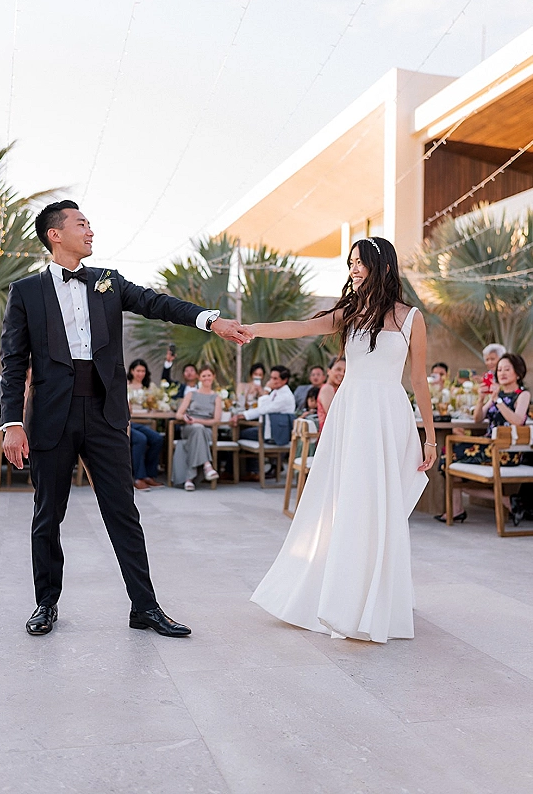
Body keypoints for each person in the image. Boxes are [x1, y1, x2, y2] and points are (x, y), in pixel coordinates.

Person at [0, 200, 250, 639]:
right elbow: (14, 362)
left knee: (123, 512)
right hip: (51, 416)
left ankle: (145, 608)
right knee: (48, 515)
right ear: (55, 235)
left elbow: (157, 303)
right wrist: (11, 423)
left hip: (105, 413)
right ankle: (45, 603)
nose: (90, 231)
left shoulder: (108, 282)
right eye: (81, 224)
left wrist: (210, 320)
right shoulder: (26, 291)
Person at [242, 236, 436, 643]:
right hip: (352, 414)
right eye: (350, 263)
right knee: (346, 501)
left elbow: (419, 380)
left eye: (360, 262)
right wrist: (252, 330)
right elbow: (301, 327)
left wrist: (430, 439)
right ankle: (339, 598)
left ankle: (376, 599)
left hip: (389, 415)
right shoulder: (351, 312)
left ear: (384, 266)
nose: (354, 269)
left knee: (381, 506)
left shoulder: (412, 318)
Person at [435, 353, 531, 524]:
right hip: (489, 446)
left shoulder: (522, 394)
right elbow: (478, 419)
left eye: (507, 369)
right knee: (447, 456)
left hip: (506, 450)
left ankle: (461, 507)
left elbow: (517, 420)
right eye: (499, 370)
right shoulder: (497, 394)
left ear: (518, 372)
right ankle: (462, 507)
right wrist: (481, 399)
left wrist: (498, 400)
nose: (502, 373)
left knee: (449, 455)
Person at [174, 364, 222, 491]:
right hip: (189, 427)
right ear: (199, 378)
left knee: (199, 429)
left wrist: (198, 421)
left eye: (209, 375)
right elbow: (178, 414)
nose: (206, 378)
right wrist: (185, 417)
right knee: (197, 429)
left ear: (213, 377)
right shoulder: (191, 394)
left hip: (207, 429)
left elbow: (216, 420)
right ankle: (207, 465)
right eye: (204, 376)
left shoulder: (216, 397)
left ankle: (189, 479)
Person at [127, 359, 164, 491]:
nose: (140, 374)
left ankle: (149, 475)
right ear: (132, 371)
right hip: (128, 422)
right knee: (140, 439)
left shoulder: (150, 387)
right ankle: (139, 477)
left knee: (157, 439)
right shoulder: (125, 385)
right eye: (138, 371)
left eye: (143, 371)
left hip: (145, 421)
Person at [317, 357, 345, 433]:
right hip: (331, 435)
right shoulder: (327, 389)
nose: (342, 374)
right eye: (338, 369)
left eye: (345, 371)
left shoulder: (338, 390)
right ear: (328, 371)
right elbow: (334, 415)